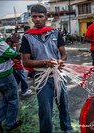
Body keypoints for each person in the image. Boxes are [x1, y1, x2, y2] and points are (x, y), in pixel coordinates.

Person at [19, 5, 73, 133]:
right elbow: (26, 61)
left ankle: (67, 128)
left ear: (46, 17)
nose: (37, 19)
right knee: (45, 109)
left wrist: (61, 61)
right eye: (34, 17)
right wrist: (45, 62)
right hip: (41, 78)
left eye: (40, 16)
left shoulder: (55, 33)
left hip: (57, 75)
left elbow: (63, 54)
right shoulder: (27, 37)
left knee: (63, 105)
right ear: (31, 18)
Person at [0, 18, 23, 132]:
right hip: (4, 76)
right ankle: (10, 124)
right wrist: (16, 43)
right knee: (13, 100)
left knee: (6, 99)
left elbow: (4, 50)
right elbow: (17, 55)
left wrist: (11, 41)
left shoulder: (0, 43)